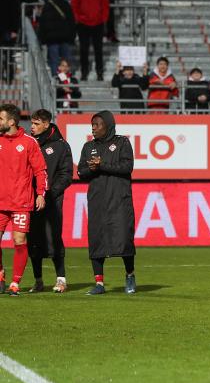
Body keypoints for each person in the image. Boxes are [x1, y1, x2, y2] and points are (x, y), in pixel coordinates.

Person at [77, 110, 136, 295]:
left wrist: (102, 165)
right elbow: (80, 172)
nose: (93, 128)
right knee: (96, 240)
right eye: (92, 125)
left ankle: (130, 275)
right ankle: (99, 284)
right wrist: (92, 168)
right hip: (97, 201)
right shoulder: (88, 146)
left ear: (108, 125)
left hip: (119, 200)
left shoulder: (122, 142)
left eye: (97, 125)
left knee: (124, 239)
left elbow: (127, 167)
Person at [0, 104, 47, 296]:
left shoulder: (28, 142)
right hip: (0, 201)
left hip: (21, 201)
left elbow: (40, 170)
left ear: (11, 122)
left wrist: (40, 193)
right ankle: (1, 275)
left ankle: (15, 283)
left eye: (1, 119)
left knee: (19, 240)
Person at [27, 109, 72, 294]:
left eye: (36, 124)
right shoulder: (29, 143)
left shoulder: (61, 146)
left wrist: (50, 193)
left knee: (53, 238)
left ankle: (61, 279)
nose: (32, 127)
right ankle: (38, 280)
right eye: (31, 123)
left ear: (46, 124)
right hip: (30, 200)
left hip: (52, 200)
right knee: (33, 240)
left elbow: (66, 174)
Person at [71, 0, 110, 82]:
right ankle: (84, 72)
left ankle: (99, 72)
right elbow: (74, 6)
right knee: (84, 49)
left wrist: (103, 19)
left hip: (97, 23)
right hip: (83, 24)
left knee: (99, 49)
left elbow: (105, 5)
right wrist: (78, 19)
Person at [38, 0, 76, 76]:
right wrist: (72, 36)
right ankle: (65, 79)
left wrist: (42, 39)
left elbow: (43, 24)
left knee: (54, 60)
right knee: (65, 60)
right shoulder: (66, 5)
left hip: (52, 39)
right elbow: (72, 22)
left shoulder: (47, 6)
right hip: (65, 38)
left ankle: (56, 79)